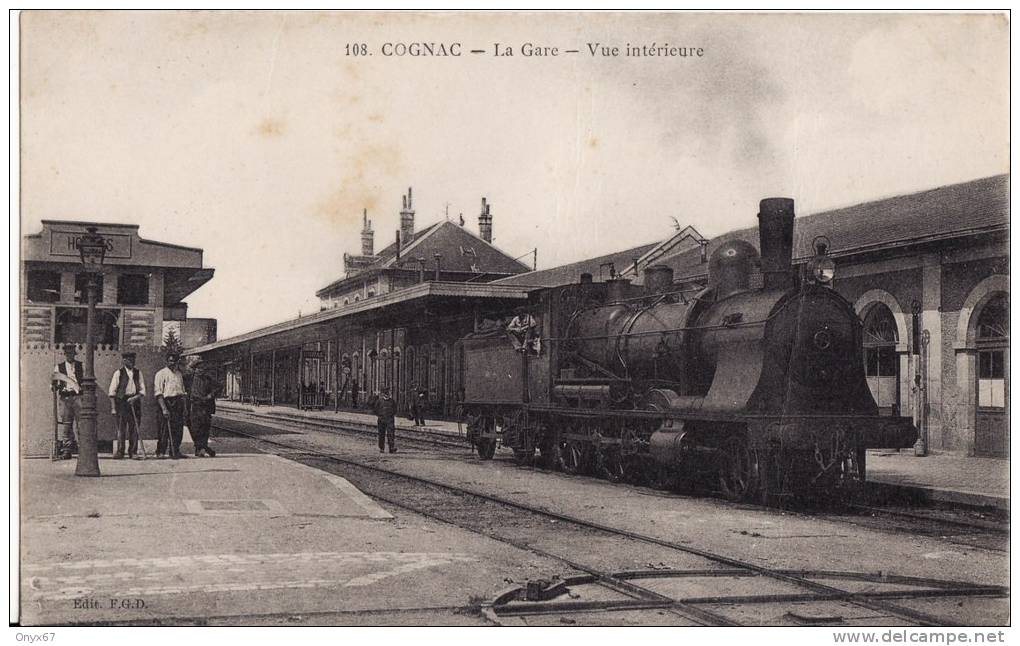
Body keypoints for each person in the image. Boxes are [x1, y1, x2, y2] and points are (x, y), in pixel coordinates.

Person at [107, 351, 146, 459]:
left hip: (135, 401)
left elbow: (142, 391)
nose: (132, 362)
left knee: (134, 428)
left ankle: (133, 452)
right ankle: (120, 451)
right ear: (124, 361)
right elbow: (112, 392)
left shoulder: (138, 373)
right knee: (121, 428)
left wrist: (135, 398)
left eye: (133, 360)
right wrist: (113, 408)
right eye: (129, 360)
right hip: (122, 402)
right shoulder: (118, 373)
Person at [51, 344, 83, 460]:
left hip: (78, 397)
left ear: (74, 354)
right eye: (68, 353)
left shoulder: (80, 366)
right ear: (65, 355)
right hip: (65, 398)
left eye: (72, 353)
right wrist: (55, 385)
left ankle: (82, 449)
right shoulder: (59, 367)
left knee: (81, 424)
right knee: (66, 425)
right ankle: (66, 450)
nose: (70, 355)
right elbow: (53, 382)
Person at [154, 353, 188, 459]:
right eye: (170, 361)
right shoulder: (161, 374)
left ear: (177, 362)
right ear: (167, 361)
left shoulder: (179, 374)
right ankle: (160, 452)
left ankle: (175, 451)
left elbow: (182, 392)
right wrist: (164, 408)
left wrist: (185, 408)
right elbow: (158, 393)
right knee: (164, 430)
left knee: (178, 429)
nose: (172, 363)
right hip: (166, 402)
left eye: (174, 361)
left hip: (178, 403)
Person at [188, 359, 218, 457]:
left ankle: (200, 449)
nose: (201, 370)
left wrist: (211, 395)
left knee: (205, 427)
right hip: (194, 405)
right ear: (194, 369)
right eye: (198, 368)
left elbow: (218, 387)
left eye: (202, 368)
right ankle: (203, 448)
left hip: (205, 406)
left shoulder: (208, 379)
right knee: (195, 428)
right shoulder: (189, 378)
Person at [371, 386, 398, 454]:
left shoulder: (392, 401)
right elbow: (375, 410)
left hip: (390, 420)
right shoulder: (379, 401)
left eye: (388, 393)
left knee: (391, 434)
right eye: (387, 393)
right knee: (381, 434)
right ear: (384, 394)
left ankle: (391, 448)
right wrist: (380, 416)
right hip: (381, 420)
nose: (388, 394)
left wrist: (391, 416)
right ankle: (381, 448)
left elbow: (395, 410)